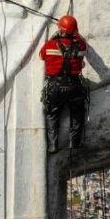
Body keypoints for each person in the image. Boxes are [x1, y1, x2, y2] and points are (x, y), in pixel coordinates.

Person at [39, 14, 89, 153]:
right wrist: (76, 35)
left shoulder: (50, 45)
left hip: (55, 85)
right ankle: (75, 143)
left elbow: (41, 56)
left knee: (52, 114)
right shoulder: (80, 45)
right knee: (77, 114)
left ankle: (53, 145)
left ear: (60, 29)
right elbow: (84, 46)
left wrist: (53, 38)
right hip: (74, 84)